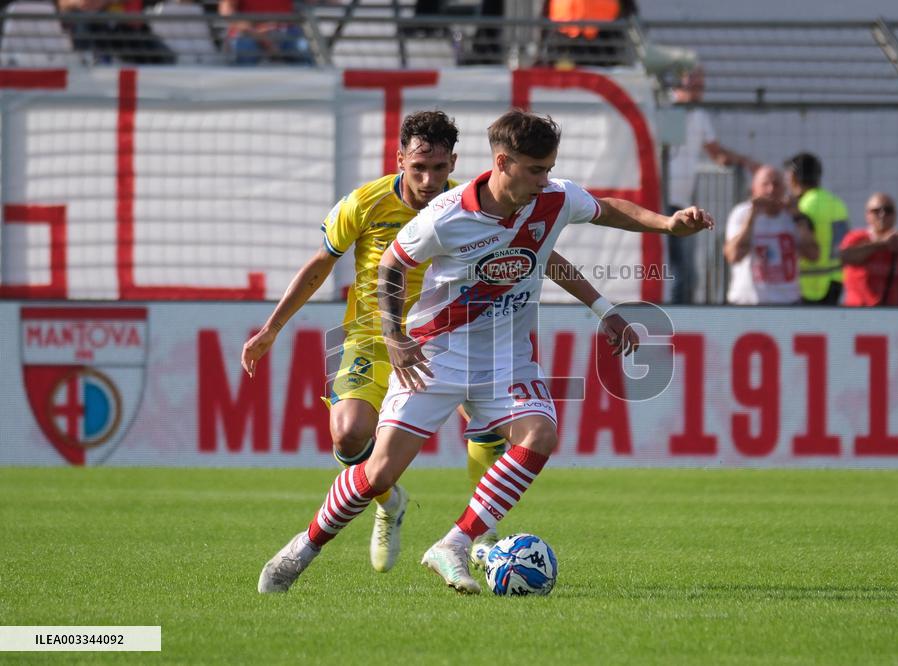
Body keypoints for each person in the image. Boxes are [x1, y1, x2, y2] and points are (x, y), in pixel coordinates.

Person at [255, 109, 714, 595]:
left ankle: (454, 544)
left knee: (540, 435)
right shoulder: (447, 215)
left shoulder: (553, 198)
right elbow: (391, 265)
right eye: (535, 170)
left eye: (549, 169)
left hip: (506, 358)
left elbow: (606, 209)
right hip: (437, 353)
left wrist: (666, 226)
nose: (545, 180)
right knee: (380, 471)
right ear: (502, 162)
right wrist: (394, 336)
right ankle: (303, 548)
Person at [668, 66, 757, 303]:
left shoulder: (699, 115)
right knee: (675, 267)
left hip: (681, 201)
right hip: (660, 198)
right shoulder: (664, 108)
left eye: (701, 88)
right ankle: (673, 310)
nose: (698, 93)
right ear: (678, 86)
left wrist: (745, 162)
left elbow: (716, 152)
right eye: (693, 87)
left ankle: (681, 310)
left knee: (685, 269)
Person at [723, 165, 818, 305]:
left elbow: (813, 255)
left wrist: (798, 217)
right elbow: (733, 255)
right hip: (746, 302)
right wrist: (752, 218)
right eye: (765, 184)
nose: (771, 190)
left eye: (776, 184)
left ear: (784, 188)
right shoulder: (741, 213)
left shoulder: (795, 216)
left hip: (787, 302)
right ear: (754, 189)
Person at [784, 152, 849, 305]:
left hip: (808, 286)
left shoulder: (801, 206)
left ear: (793, 177)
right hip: (835, 281)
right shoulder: (836, 202)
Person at [839, 193, 898, 307]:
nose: (882, 215)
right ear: (867, 215)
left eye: (888, 210)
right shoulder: (857, 237)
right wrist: (882, 243)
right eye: (876, 211)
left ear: (895, 215)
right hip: (858, 311)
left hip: (894, 312)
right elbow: (844, 257)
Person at [218, 0, 311, 65]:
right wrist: (261, 37)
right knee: (247, 51)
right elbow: (226, 12)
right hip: (250, 33)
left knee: (305, 52)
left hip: (286, 31)